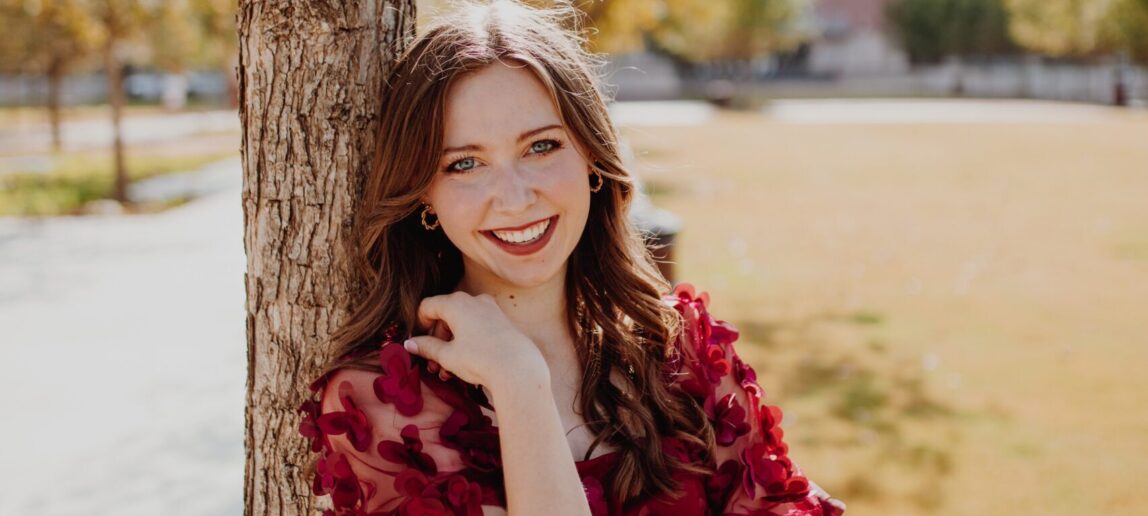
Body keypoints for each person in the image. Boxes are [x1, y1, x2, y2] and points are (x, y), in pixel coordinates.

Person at [297, 1, 846, 514]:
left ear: (591, 158)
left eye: (541, 146)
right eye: (465, 164)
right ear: (424, 195)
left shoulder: (687, 356)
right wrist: (519, 385)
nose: (514, 198)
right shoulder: (387, 408)